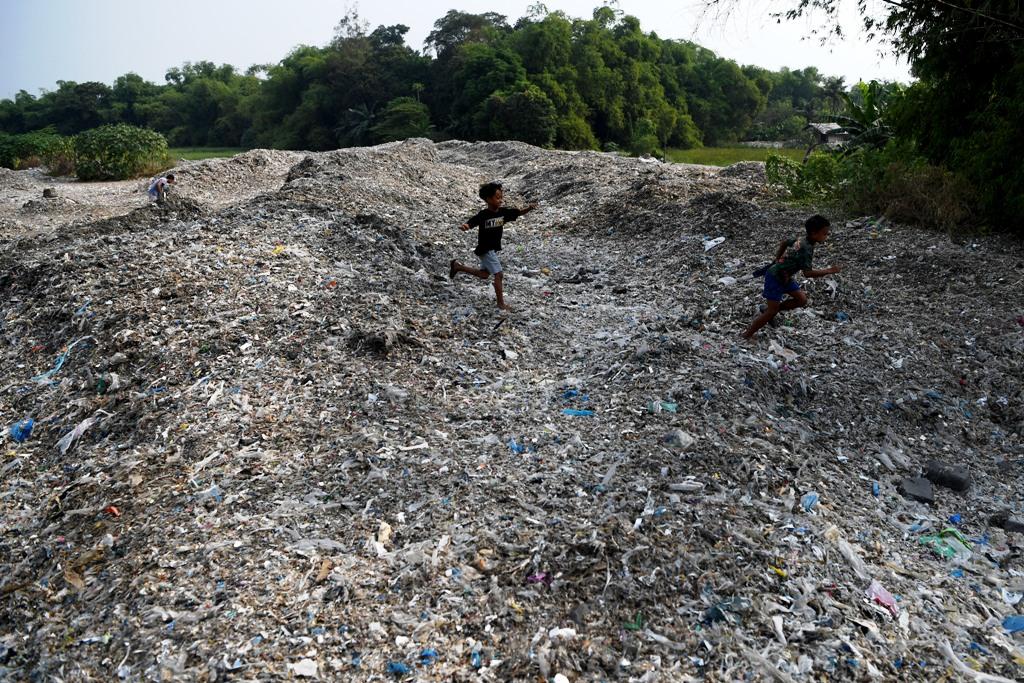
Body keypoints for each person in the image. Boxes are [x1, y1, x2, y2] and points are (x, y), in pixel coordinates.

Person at [742, 214, 842, 339]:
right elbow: (808, 273)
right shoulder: (806, 248)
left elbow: (784, 242)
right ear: (813, 233)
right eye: (824, 233)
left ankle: (769, 310)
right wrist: (829, 270)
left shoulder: (802, 239)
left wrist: (778, 259)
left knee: (801, 300)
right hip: (775, 277)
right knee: (771, 311)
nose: (826, 237)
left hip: (785, 276)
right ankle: (747, 335)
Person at [449, 182, 537, 311]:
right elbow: (472, 222)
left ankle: (458, 266)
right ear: (488, 199)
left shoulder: (503, 213)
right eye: (497, 197)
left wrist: (529, 208)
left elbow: (517, 213)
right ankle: (501, 303)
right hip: (485, 249)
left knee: (484, 274)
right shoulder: (483, 215)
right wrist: (465, 226)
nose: (500, 200)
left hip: (491, 249)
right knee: (499, 274)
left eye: (501, 197)